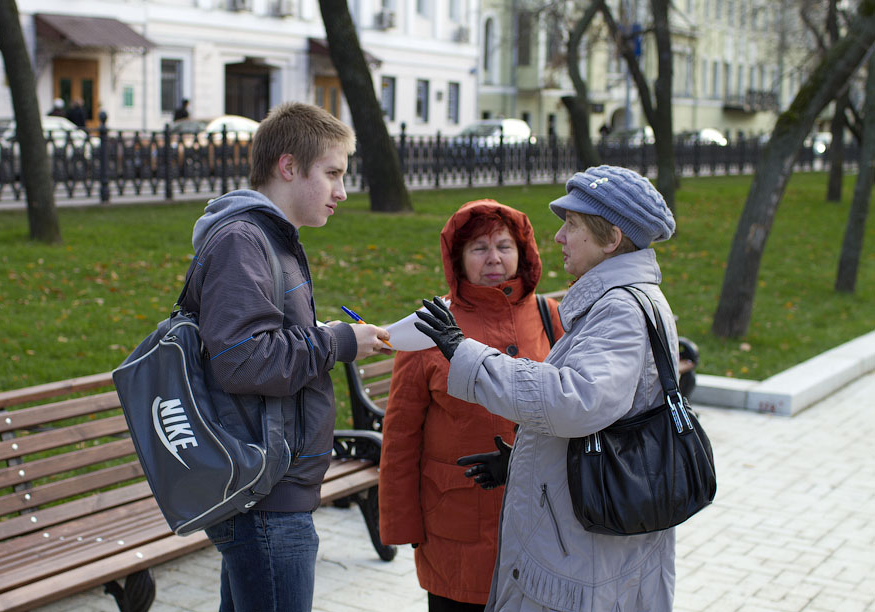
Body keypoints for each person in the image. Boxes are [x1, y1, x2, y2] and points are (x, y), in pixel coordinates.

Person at [416, 165, 679, 611]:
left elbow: (575, 401)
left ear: (611, 239)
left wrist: (467, 355)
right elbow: (607, 417)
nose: (558, 237)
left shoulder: (620, 309)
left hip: (588, 556)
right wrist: (526, 461)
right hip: (590, 538)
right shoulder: (617, 300)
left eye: (572, 225)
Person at [180, 102, 392, 612]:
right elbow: (242, 359)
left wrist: (317, 334)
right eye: (333, 174)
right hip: (264, 494)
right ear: (289, 166)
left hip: (273, 485)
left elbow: (251, 341)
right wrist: (338, 342)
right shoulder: (243, 241)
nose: (342, 191)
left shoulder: (268, 240)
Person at [378, 200, 563, 611]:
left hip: (542, 526)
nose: (494, 257)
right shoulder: (430, 326)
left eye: (504, 245)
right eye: (479, 248)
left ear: (524, 252)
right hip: (455, 527)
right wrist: (401, 521)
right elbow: (401, 433)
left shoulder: (552, 317)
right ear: (458, 259)